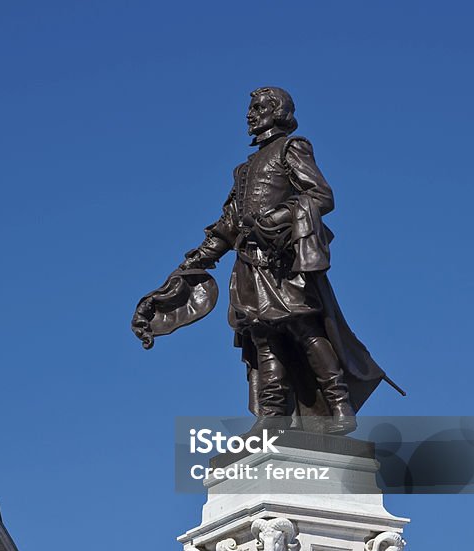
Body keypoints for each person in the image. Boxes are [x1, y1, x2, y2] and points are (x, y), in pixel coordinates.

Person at [133, 87, 401, 433]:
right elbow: (228, 225)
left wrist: (278, 219)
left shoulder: (292, 148)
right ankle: (271, 416)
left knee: (303, 327)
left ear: (279, 112)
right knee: (262, 337)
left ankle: (339, 404)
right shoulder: (243, 171)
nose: (250, 114)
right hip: (248, 265)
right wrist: (193, 263)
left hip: (280, 262)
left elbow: (321, 196)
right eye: (251, 108)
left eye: (259, 107)